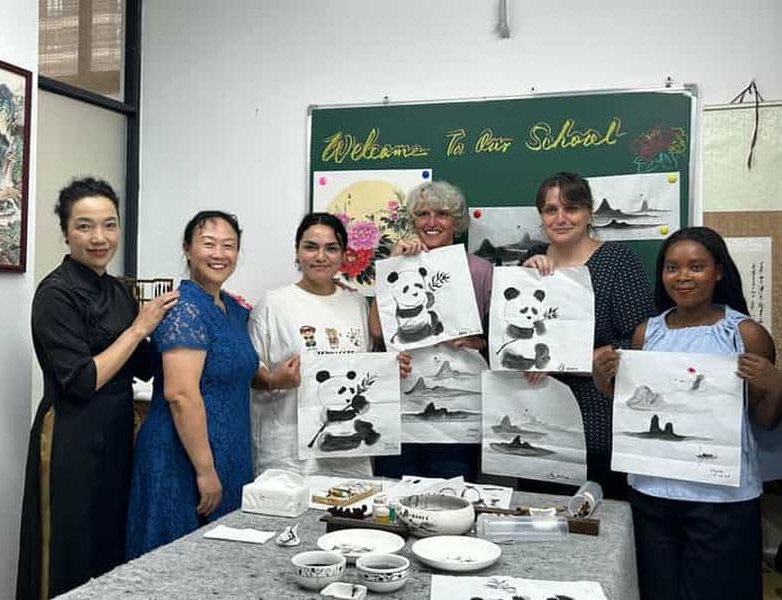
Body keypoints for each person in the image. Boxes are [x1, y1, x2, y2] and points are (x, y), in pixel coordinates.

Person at [592, 226, 782, 600]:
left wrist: (775, 382)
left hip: (721, 498)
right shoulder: (646, 333)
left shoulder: (745, 333)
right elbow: (633, 404)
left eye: (696, 267)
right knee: (656, 589)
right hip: (653, 493)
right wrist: (604, 380)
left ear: (719, 271)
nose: (682, 277)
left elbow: (765, 420)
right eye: (672, 268)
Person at [16, 178, 179, 600]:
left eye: (109, 225)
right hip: (70, 435)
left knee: (109, 547)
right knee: (68, 552)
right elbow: (83, 380)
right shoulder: (55, 294)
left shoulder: (118, 291)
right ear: (66, 233)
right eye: (85, 226)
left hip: (117, 433)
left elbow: (142, 365)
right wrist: (140, 327)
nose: (99, 238)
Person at [126, 211, 297, 558]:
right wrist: (205, 471)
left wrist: (274, 379)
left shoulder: (233, 309)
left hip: (230, 452)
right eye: (208, 244)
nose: (219, 254)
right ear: (187, 249)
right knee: (176, 565)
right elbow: (180, 394)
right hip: (181, 456)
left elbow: (234, 369)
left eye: (228, 246)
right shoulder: (183, 308)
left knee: (220, 565)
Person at [521, 172, 653, 498]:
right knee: (538, 521)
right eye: (551, 210)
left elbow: (643, 341)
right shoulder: (529, 263)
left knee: (599, 529)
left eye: (572, 208)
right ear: (541, 215)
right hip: (537, 424)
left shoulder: (617, 262)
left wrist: (590, 357)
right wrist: (523, 279)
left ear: (589, 212)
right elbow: (505, 339)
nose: (561, 218)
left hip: (597, 425)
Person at [250, 212, 403, 477]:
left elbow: (362, 368)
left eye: (331, 248)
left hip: (349, 455)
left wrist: (388, 369)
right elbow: (250, 372)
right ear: (297, 252)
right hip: (288, 454)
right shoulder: (273, 304)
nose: (320, 257)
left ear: (344, 255)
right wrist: (275, 379)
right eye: (310, 247)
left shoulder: (355, 303)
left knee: (347, 516)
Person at [371, 180, 493, 481]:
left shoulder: (480, 270)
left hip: (459, 407)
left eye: (442, 214)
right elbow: (376, 328)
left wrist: (475, 341)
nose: (431, 222)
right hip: (400, 407)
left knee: (452, 494)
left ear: (457, 221)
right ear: (412, 220)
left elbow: (498, 340)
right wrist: (392, 265)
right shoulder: (398, 263)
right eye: (423, 214)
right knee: (392, 497)